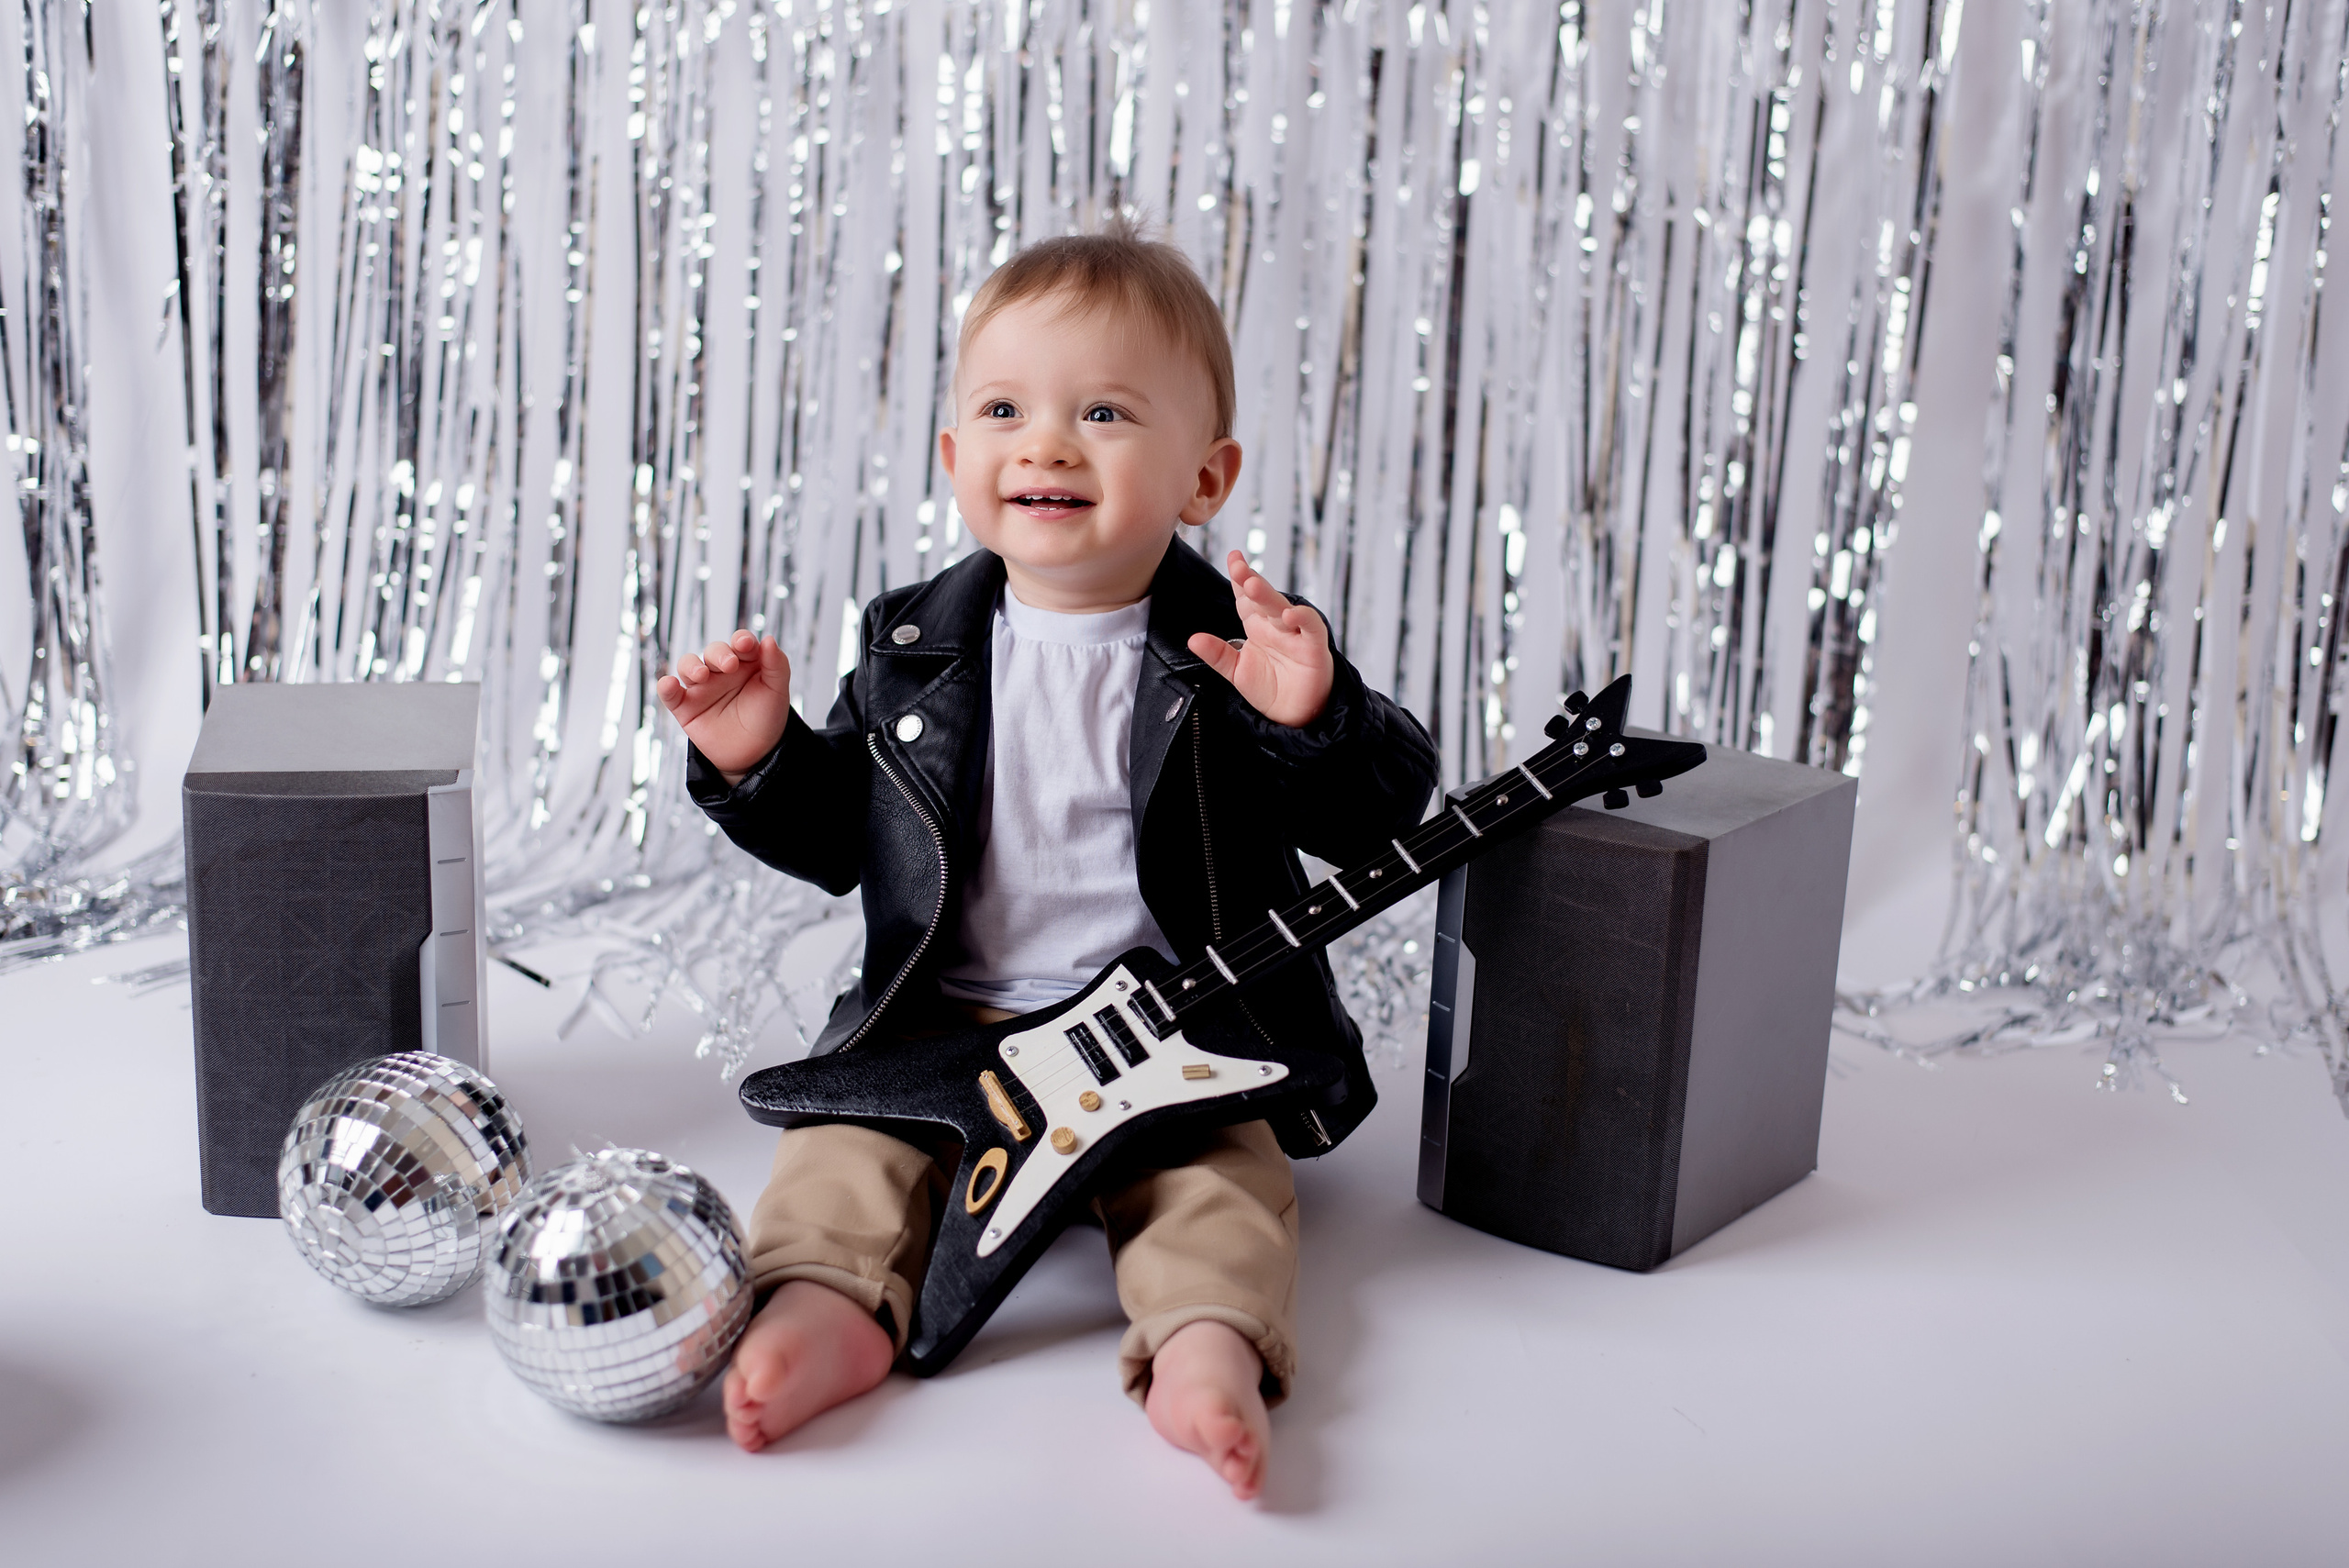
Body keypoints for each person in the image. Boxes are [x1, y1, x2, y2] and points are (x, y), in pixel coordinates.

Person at [657, 217, 1437, 1498]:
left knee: (1215, 1194)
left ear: (1205, 476)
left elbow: (1377, 815)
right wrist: (760, 756)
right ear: (958, 456)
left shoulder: (1240, 652)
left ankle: (1204, 1350)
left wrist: (1312, 717)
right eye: (1007, 409)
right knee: (842, 1157)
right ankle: (829, 1311)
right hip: (942, 1021)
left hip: (1179, 1035)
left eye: (1108, 413)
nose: (1049, 443)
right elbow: (839, 841)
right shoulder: (914, 651)